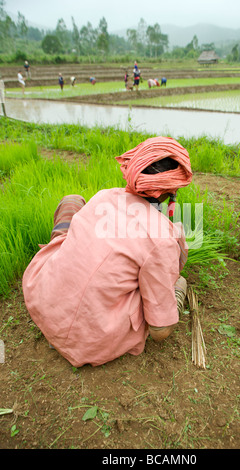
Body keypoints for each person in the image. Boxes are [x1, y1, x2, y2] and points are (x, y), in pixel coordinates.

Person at [22, 136, 193, 368]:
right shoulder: (162, 238)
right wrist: (174, 286)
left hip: (44, 303)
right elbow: (159, 332)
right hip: (91, 339)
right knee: (177, 281)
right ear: (172, 190)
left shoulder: (104, 196)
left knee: (72, 202)